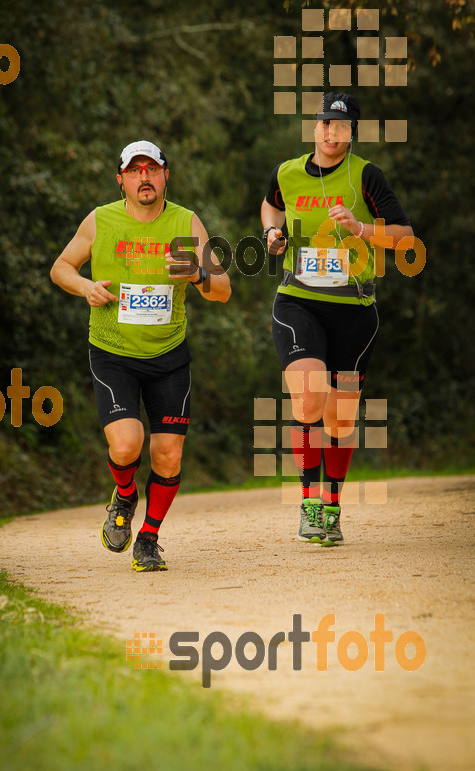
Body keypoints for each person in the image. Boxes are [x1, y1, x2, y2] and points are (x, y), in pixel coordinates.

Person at [51, 140, 231, 571]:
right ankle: (125, 495)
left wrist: (200, 273)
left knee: (167, 454)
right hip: (112, 352)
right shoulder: (101, 220)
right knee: (128, 445)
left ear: (166, 175)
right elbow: (61, 267)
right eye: (135, 171)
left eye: (152, 169)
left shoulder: (186, 223)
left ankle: (148, 539)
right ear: (122, 180)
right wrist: (85, 287)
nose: (144, 178)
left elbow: (222, 291)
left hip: (168, 354)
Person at [260, 93, 413, 546]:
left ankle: (331, 505)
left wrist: (362, 229)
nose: (330, 131)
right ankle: (308, 503)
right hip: (298, 301)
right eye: (323, 123)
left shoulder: (366, 176)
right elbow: (271, 202)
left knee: (340, 419)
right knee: (308, 401)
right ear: (314, 128)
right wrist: (272, 230)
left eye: (339, 125)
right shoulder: (287, 171)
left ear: (351, 133)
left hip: (355, 309)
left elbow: (405, 239)